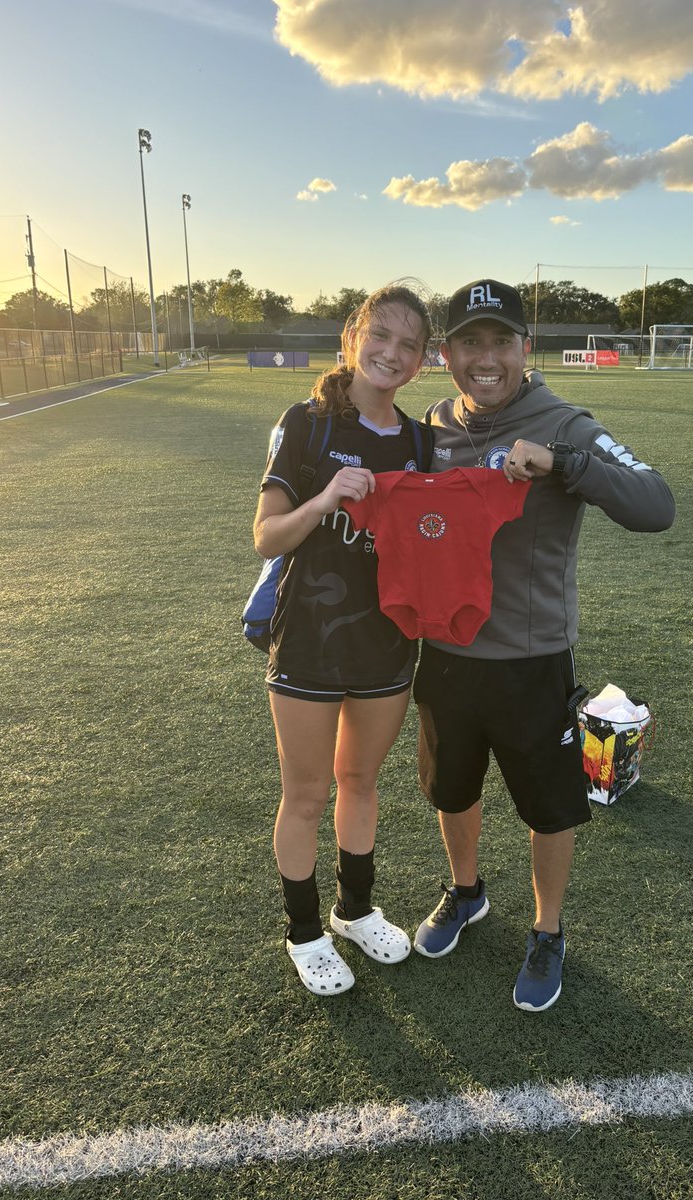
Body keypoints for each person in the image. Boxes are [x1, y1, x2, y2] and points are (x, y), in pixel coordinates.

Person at [412, 279, 675, 1012]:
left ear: (526, 348)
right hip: (447, 656)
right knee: (451, 789)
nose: (485, 358)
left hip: (532, 661)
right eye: (469, 342)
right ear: (446, 354)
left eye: (501, 341)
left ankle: (548, 930)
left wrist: (565, 463)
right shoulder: (432, 426)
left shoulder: (566, 424)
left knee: (549, 808)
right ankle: (465, 892)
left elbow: (657, 504)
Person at [252, 284, 432, 996]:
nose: (392, 353)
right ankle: (304, 932)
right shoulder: (307, 424)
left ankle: (354, 910)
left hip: (388, 643)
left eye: (409, 344)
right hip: (309, 640)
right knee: (305, 793)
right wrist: (326, 498)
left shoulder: (421, 441)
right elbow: (266, 536)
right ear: (354, 337)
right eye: (380, 335)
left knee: (360, 782)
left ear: (422, 360)